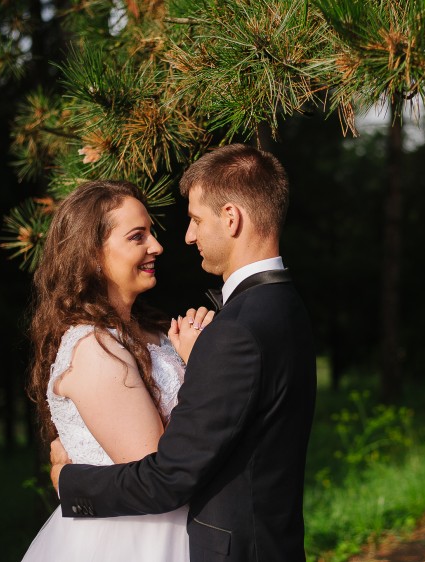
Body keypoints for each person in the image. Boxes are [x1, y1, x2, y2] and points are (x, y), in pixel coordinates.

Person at [51, 143, 317, 562]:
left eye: (194, 219)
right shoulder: (284, 304)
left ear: (231, 218)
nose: (184, 237)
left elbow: (169, 476)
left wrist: (69, 483)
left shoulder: (237, 330)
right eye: (139, 236)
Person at [21, 179, 211, 561]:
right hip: (133, 538)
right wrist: (200, 368)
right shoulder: (94, 348)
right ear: (93, 253)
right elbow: (155, 470)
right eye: (137, 237)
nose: (156, 246)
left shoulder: (150, 330)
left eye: (151, 234)